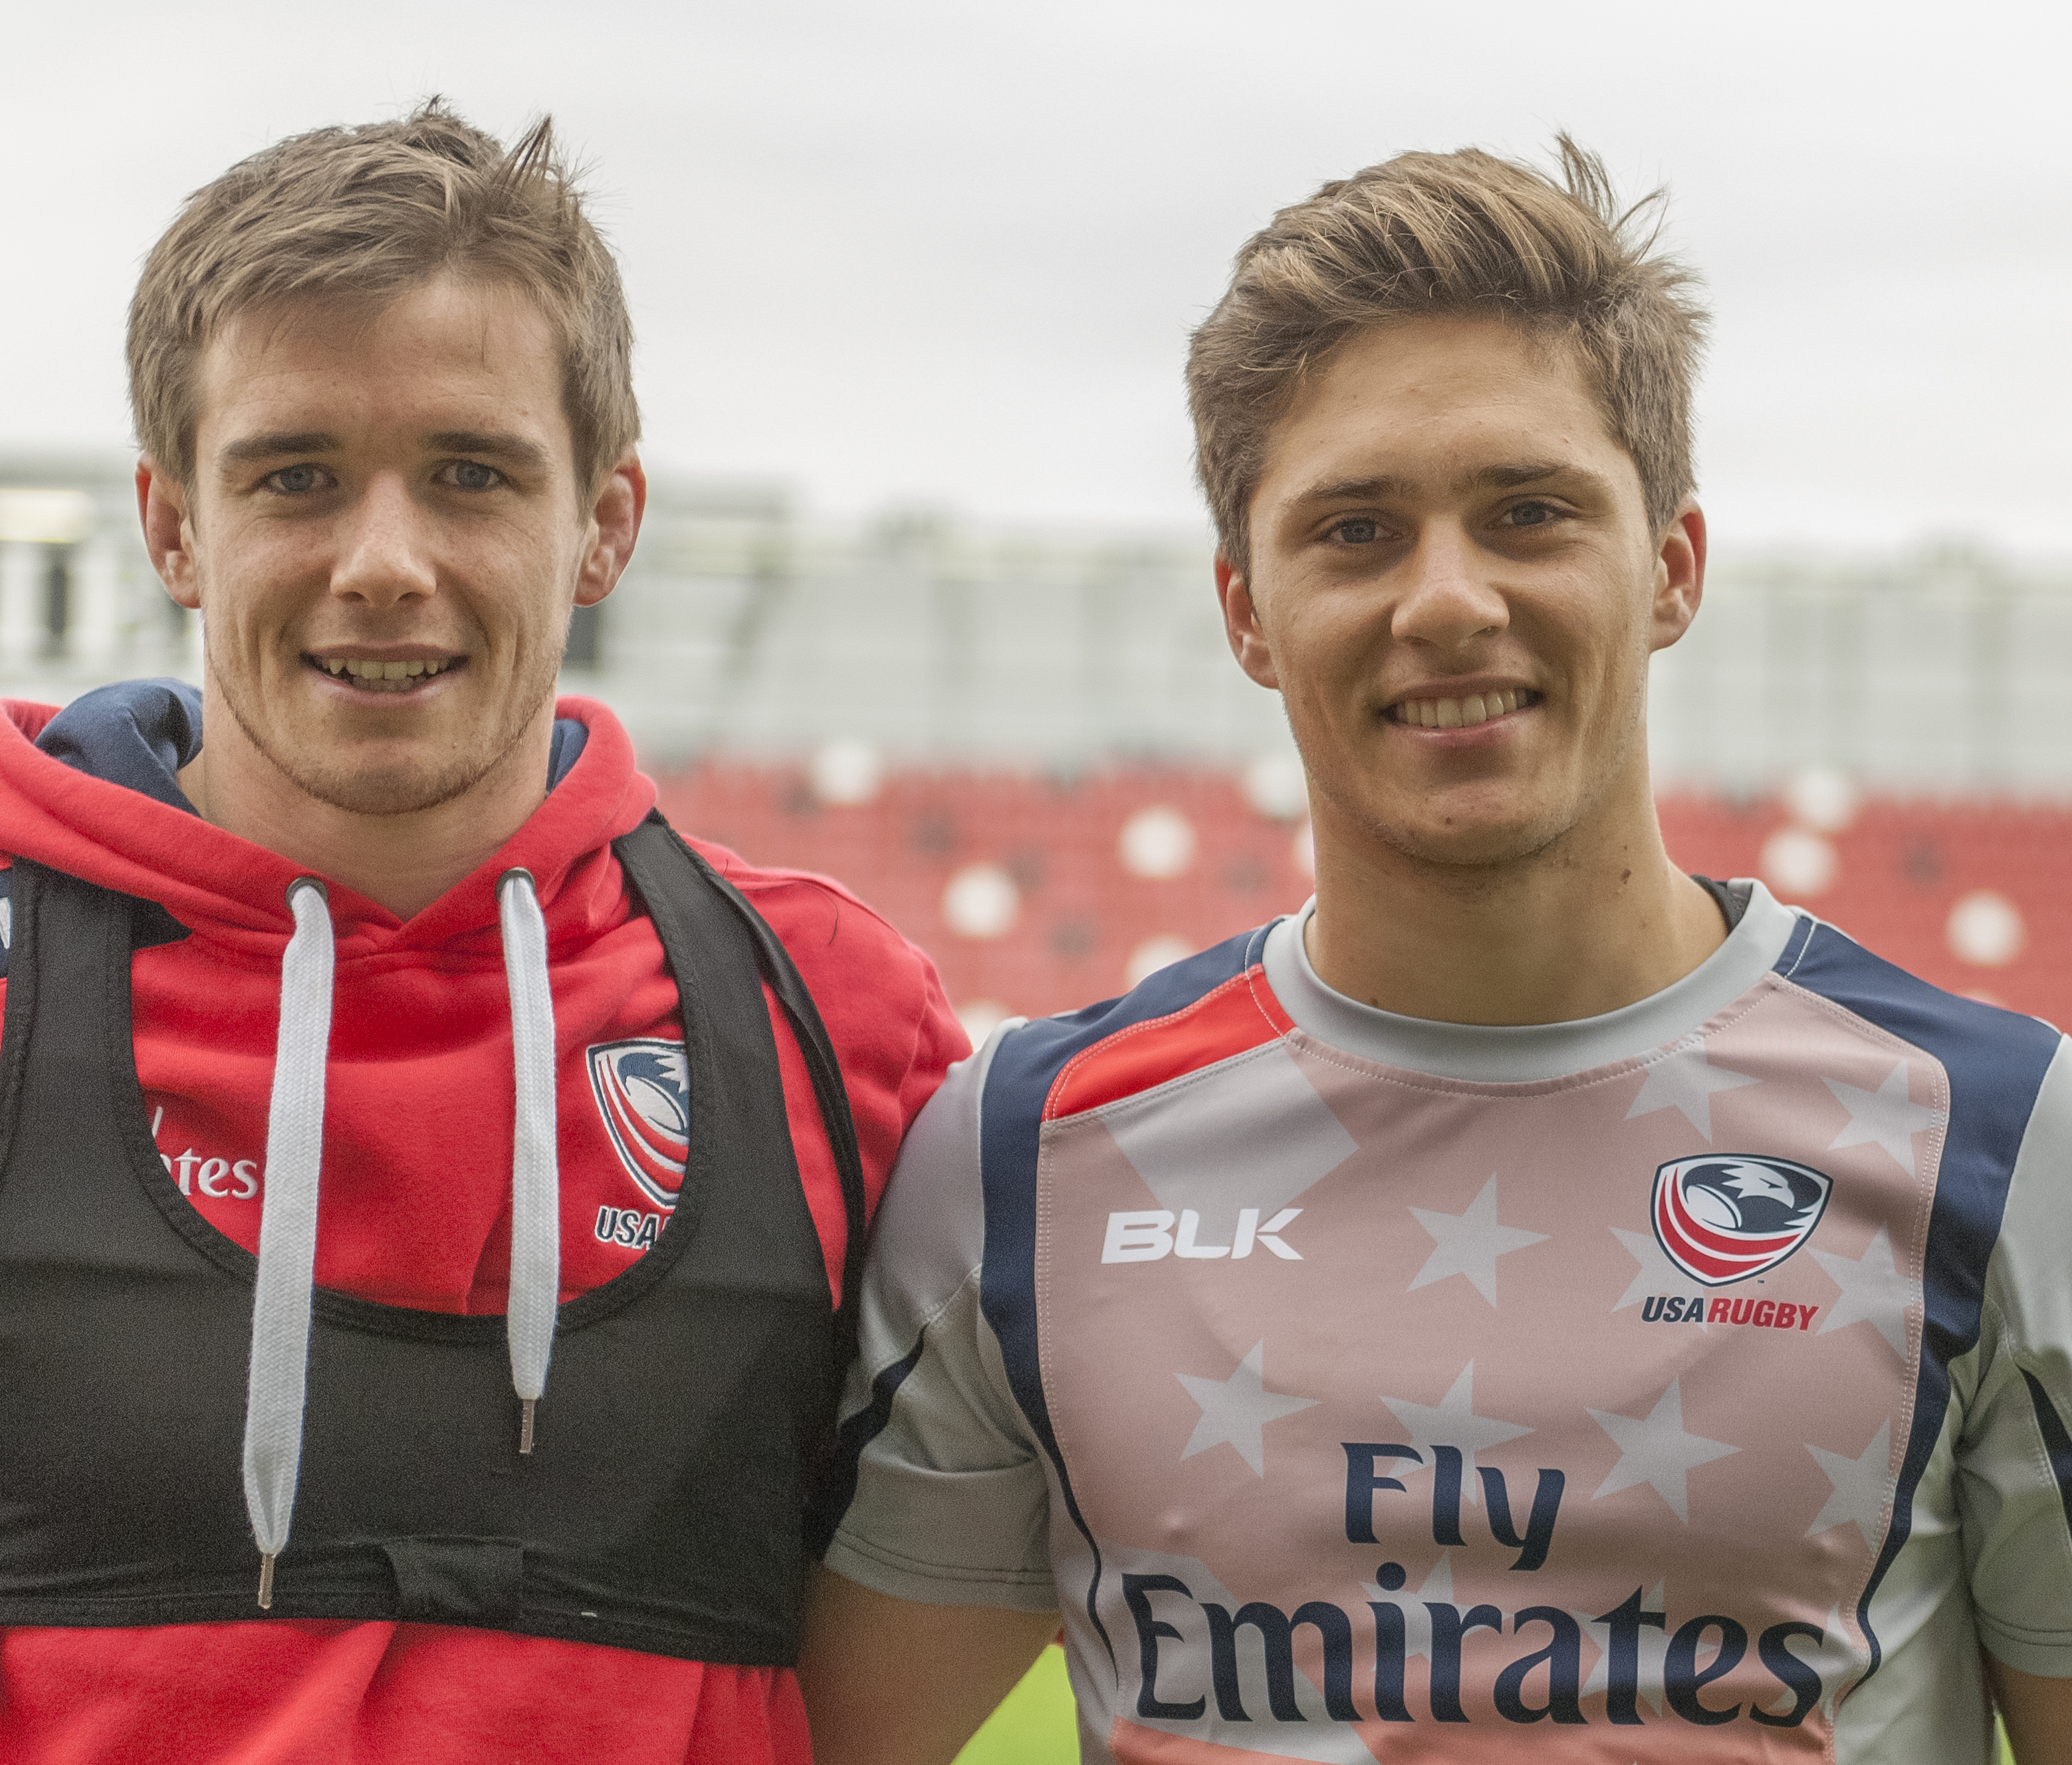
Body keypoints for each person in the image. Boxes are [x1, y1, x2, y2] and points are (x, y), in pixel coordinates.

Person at [798, 140, 2072, 1762]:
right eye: (1353, 530)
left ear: (1670, 563)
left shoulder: (1994, 1135)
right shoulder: (1025, 1154)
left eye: (1527, 511)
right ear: (1244, 608)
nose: (1447, 600)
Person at [0, 103, 965, 1763]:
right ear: (172, 526)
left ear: (604, 521)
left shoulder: (832, 1016)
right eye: (295, 476)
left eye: (471, 473)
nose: (385, 562)